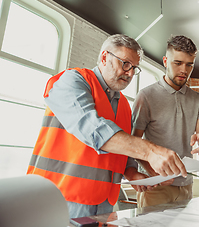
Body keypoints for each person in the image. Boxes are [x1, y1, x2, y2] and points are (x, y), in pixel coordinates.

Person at [27, 34, 187, 218]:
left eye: (134, 68)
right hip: (58, 197)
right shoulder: (72, 81)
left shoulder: (125, 106)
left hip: (104, 203)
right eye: (125, 64)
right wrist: (150, 152)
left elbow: (121, 149)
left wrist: (132, 172)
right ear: (104, 57)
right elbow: (94, 130)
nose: (130, 73)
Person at [132, 35, 199, 207]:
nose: (184, 70)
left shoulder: (196, 98)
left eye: (189, 64)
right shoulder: (146, 96)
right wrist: (154, 172)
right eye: (178, 63)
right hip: (155, 186)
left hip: (186, 184)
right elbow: (134, 143)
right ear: (165, 61)